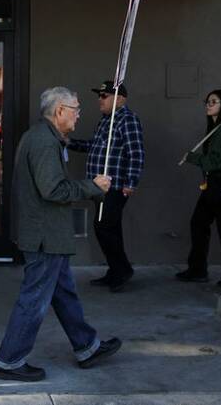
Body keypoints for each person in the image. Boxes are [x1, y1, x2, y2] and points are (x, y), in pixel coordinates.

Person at [0, 87, 121, 382]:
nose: (79, 114)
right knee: (34, 299)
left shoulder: (45, 137)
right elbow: (53, 189)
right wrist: (93, 187)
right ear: (60, 110)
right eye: (76, 108)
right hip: (44, 236)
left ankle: (87, 347)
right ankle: (9, 361)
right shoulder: (43, 141)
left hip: (46, 234)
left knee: (63, 292)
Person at [67, 81, 144, 292]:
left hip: (115, 186)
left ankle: (122, 270)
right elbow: (94, 146)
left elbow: (136, 152)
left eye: (105, 96)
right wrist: (68, 142)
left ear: (120, 99)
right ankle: (115, 270)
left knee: (104, 227)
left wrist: (131, 183)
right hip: (99, 187)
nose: (100, 99)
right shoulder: (106, 121)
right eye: (99, 95)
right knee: (109, 228)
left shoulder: (127, 120)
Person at [177, 89, 221, 288]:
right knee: (198, 224)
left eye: (213, 101)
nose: (208, 104)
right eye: (207, 101)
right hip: (213, 188)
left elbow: (219, 162)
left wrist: (193, 157)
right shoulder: (218, 128)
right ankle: (197, 269)